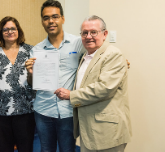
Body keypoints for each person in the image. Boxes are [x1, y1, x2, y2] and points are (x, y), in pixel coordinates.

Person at [54, 15, 132, 152]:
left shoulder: (113, 54)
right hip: (89, 129)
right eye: (85, 33)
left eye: (93, 32)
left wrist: (71, 95)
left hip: (107, 132)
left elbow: (104, 88)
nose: (88, 36)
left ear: (105, 34)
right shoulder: (86, 56)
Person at [25, 0, 85, 152]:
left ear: (63, 19)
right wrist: (30, 73)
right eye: (46, 18)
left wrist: (115, 61)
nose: (51, 21)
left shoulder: (77, 43)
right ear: (42, 22)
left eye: (55, 16)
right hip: (43, 110)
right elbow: (32, 84)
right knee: (46, 149)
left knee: (68, 149)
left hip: (67, 111)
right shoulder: (36, 50)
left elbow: (96, 55)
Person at [0, 16, 36, 152]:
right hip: (1, 113)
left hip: (26, 111)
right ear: (0, 33)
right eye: (5, 29)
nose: (9, 31)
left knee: (26, 148)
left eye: (13, 28)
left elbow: (40, 78)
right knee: (5, 149)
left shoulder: (31, 51)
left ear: (18, 31)